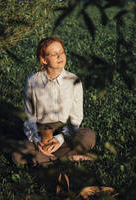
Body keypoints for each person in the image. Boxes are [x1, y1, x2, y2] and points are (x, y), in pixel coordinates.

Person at [12, 37, 96, 166]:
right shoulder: (33, 81)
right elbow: (29, 117)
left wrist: (60, 139)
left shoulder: (74, 80)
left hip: (65, 132)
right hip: (42, 133)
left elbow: (76, 118)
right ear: (43, 59)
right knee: (17, 155)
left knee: (89, 136)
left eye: (62, 52)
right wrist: (36, 140)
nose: (60, 56)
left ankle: (49, 160)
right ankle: (68, 158)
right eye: (54, 54)